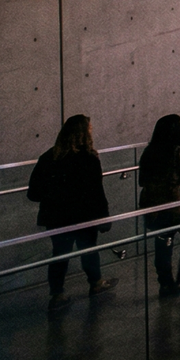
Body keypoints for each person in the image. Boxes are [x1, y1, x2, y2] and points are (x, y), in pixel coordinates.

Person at [28, 114, 115, 308]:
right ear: (84, 134)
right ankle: (96, 283)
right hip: (84, 217)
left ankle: (57, 294)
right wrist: (104, 218)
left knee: (59, 255)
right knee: (89, 250)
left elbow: (33, 193)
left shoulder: (48, 157)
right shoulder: (89, 159)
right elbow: (96, 193)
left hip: (57, 218)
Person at [138, 113, 180, 296]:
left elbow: (142, 180)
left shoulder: (149, 151)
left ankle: (166, 283)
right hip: (179, 204)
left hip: (156, 206)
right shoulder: (179, 150)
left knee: (163, 243)